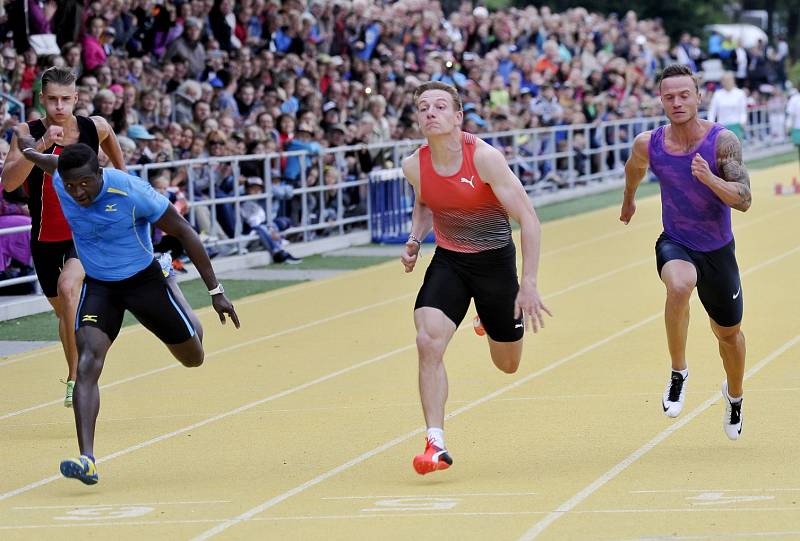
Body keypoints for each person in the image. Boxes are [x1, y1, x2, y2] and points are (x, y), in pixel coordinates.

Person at [15, 135, 240, 485]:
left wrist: (216, 291)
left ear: (100, 172)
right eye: (71, 186)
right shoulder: (62, 176)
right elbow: (45, 161)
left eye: (86, 183)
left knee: (193, 357)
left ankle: (174, 290)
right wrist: (28, 147)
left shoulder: (130, 190)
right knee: (88, 360)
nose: (78, 193)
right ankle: (87, 458)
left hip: (144, 281)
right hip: (101, 285)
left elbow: (184, 231)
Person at [400, 81, 551, 475]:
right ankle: (436, 442)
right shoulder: (413, 165)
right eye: (422, 107)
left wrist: (528, 282)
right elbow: (424, 205)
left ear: (457, 117)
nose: (430, 112)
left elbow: (529, 221)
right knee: (427, 340)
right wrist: (416, 238)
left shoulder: (484, 158)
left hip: (495, 264)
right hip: (450, 260)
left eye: (439, 106)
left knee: (507, 364)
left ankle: (488, 316)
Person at [619, 64, 751, 440]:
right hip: (676, 240)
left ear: (697, 97)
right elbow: (634, 168)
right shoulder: (651, 143)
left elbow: (744, 199)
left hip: (718, 249)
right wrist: (629, 200)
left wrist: (710, 178)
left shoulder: (722, 141)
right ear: (661, 100)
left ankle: (735, 395)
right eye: (669, 96)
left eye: (684, 95)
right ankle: (679, 372)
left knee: (730, 336)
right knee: (678, 285)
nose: (677, 103)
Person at [0, 66, 126, 407]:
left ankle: (76, 377)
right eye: (52, 99)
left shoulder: (91, 126)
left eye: (66, 100)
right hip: (43, 239)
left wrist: (121, 174)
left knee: (69, 289)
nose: (59, 106)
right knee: (64, 313)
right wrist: (42, 145)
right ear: (41, 99)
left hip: (84, 233)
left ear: (76, 99)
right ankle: (80, 358)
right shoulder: (26, 132)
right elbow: (9, 183)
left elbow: (109, 134)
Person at [707, 72, 747, 141]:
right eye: (725, 80)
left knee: (736, 150)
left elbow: (743, 111)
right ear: (722, 82)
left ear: (733, 81)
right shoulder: (717, 94)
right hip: (722, 127)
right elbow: (712, 112)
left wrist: (743, 122)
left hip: (736, 126)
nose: (727, 82)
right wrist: (711, 125)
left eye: (729, 80)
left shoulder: (740, 93)